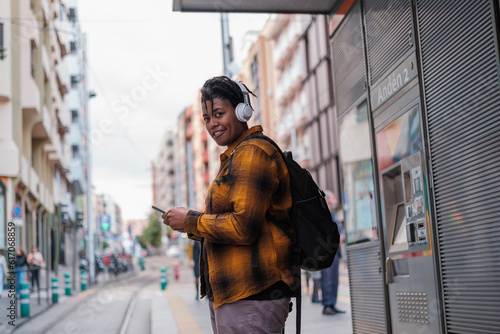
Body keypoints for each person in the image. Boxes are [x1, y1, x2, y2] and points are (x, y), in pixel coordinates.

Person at [162, 76, 294, 333]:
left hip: (252, 294)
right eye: (207, 118)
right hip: (237, 294)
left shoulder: (253, 153)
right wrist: (189, 222)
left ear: (242, 110)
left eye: (219, 114)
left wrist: (190, 219)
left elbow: (243, 227)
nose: (212, 124)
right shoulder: (235, 155)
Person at [320, 190, 346, 315]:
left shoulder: (332, 213)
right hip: (327, 251)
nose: (335, 200)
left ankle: (332, 303)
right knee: (328, 278)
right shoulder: (322, 213)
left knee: (334, 279)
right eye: (333, 198)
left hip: (335, 251)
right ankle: (327, 305)